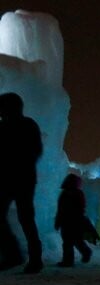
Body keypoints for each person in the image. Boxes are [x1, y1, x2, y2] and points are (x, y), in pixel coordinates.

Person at [0, 92, 44, 274]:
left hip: (18, 179)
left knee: (25, 218)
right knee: (25, 219)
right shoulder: (24, 125)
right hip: (19, 178)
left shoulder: (24, 125)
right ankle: (21, 256)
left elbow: (35, 151)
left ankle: (24, 256)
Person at [54, 173, 92, 267]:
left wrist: (58, 221)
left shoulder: (68, 194)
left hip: (70, 221)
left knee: (68, 242)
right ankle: (85, 252)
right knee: (75, 240)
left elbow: (61, 209)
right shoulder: (76, 193)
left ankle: (68, 261)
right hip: (72, 221)